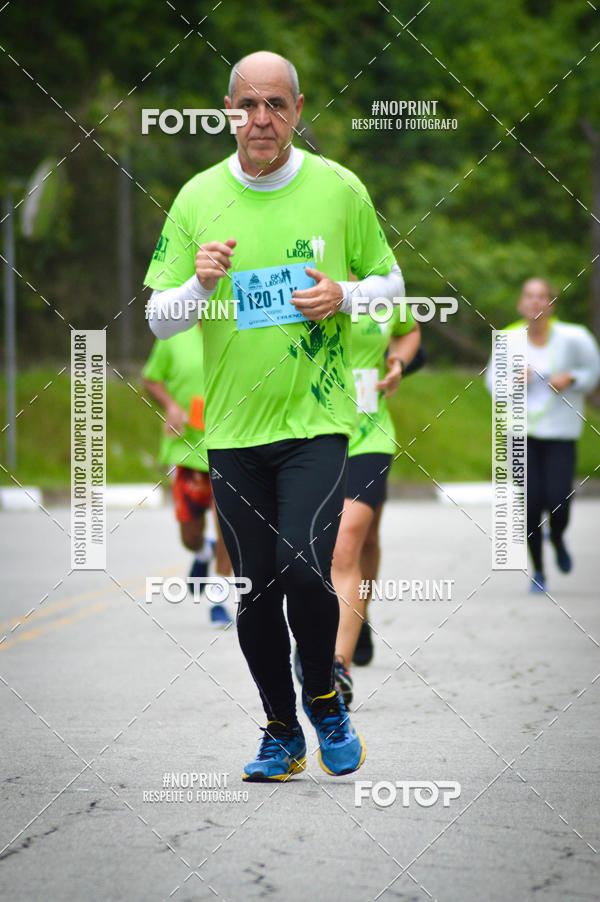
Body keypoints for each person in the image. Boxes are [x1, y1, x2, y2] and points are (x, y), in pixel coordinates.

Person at [145, 50, 405, 782]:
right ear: (228, 109)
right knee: (254, 587)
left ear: (299, 108)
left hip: (317, 425)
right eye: (248, 105)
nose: (262, 119)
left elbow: (393, 283)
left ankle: (324, 698)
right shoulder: (198, 198)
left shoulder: (339, 189)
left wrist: (346, 297)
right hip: (231, 433)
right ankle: (282, 730)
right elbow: (160, 322)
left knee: (303, 564)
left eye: (277, 105)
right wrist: (198, 285)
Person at [294, 297, 421, 704]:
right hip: (313, 433)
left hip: (370, 435)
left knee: (350, 541)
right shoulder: (304, 284)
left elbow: (409, 330)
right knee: (356, 543)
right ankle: (355, 612)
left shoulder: (380, 289)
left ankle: (336, 666)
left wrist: (398, 362)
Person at [487, 278, 600, 592]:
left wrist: (571, 378)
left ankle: (559, 536)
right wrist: (513, 378)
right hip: (521, 434)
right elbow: (491, 386)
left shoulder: (574, 337)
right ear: (521, 303)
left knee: (559, 500)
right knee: (531, 503)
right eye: (529, 296)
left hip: (560, 433)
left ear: (551, 304)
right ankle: (539, 572)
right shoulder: (509, 338)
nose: (536, 303)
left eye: (542, 297)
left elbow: (594, 372)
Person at [143, 324, 233, 626]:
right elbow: (151, 379)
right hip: (185, 448)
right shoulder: (173, 335)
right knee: (189, 535)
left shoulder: (235, 330)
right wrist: (170, 406)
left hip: (230, 445)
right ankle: (202, 551)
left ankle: (218, 601)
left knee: (228, 529)